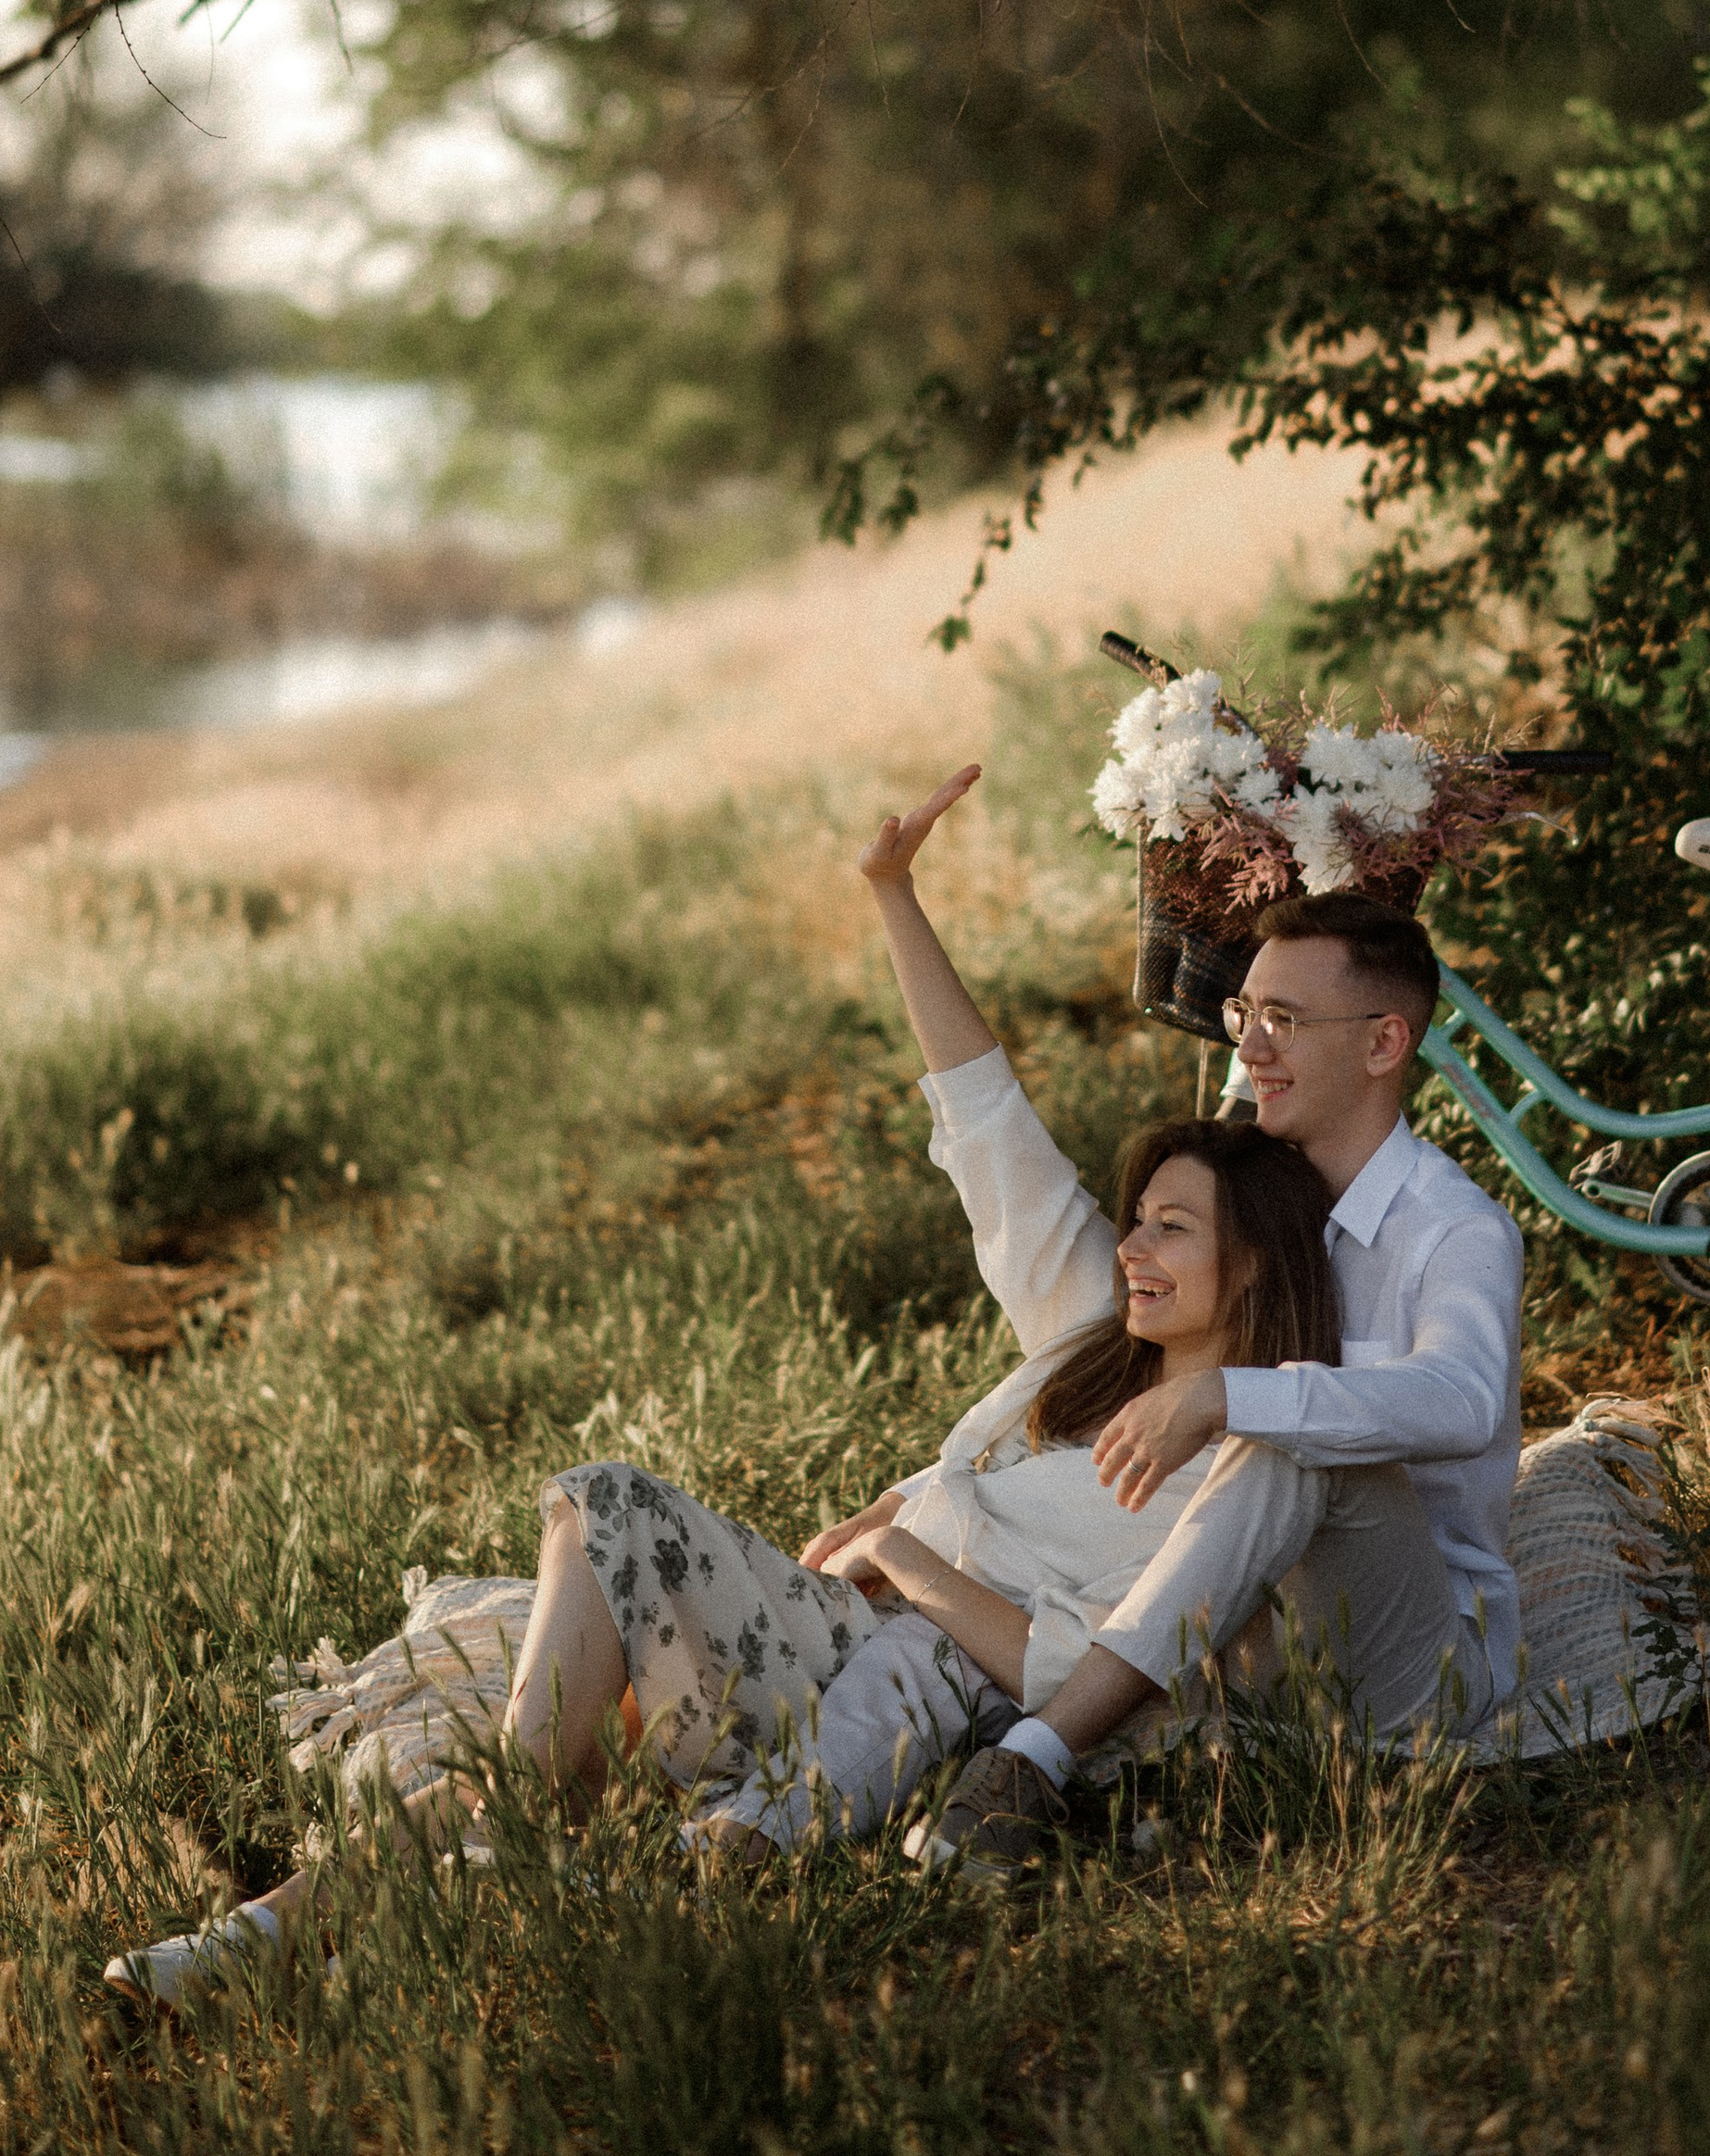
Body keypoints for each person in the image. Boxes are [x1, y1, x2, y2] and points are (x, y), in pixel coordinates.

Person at [104, 769, 1346, 2003]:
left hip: (900, 1694)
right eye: (1138, 1220)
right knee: (560, 1613)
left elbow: (1088, 1678)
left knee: (608, 1504)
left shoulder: (1241, 1470)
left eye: (1172, 1230)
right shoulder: (1090, 1326)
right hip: (822, 1635)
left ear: (1255, 1267)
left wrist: (908, 1556)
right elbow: (987, 1121)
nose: (1133, 1246)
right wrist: (891, 894)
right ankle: (255, 1937)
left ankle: (512, 1822)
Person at [892, 776, 1526, 1878]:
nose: (1250, 1047)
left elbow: (1461, 1401)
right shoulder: (1226, 1211)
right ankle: (1109, 1758)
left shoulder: (1452, 1232)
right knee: (1119, 1326)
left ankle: (1033, 1762)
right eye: (1246, 1014)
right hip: (1230, 1653)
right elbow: (1006, 1168)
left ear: (1384, 1045)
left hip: (1401, 1659)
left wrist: (1229, 1394)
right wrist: (895, 899)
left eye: (1282, 1021)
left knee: (1301, 1438)